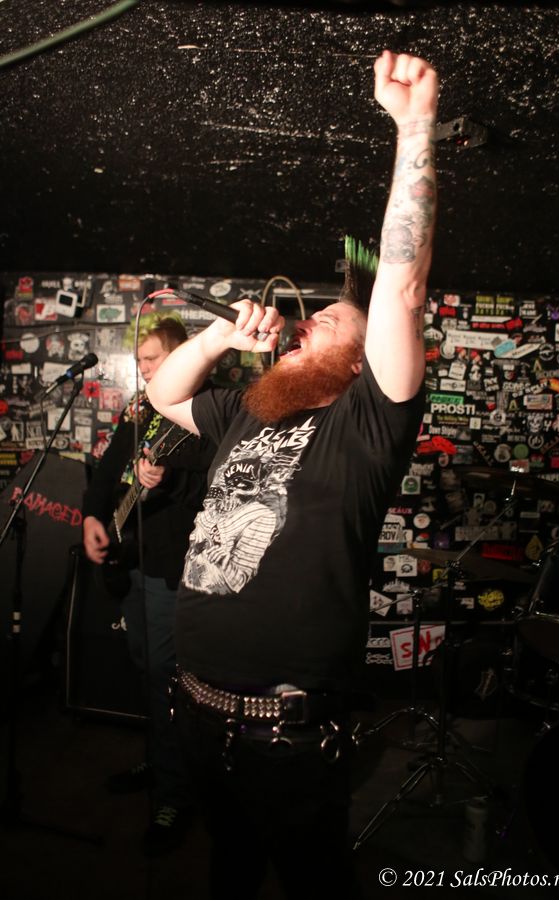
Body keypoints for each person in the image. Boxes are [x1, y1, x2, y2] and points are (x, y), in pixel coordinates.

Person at [146, 50, 438, 898]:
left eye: (328, 323)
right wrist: (217, 338)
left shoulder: (365, 424)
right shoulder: (251, 408)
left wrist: (414, 127)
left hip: (291, 738)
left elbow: (400, 290)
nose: (303, 325)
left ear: (363, 360)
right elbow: (165, 396)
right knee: (229, 873)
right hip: (198, 712)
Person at [82, 312, 216, 857]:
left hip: (174, 568)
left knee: (166, 678)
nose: (144, 369)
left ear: (180, 356)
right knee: (145, 667)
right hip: (134, 561)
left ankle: (175, 793)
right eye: (139, 361)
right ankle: (161, 761)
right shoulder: (141, 408)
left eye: (153, 358)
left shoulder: (204, 411)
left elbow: (210, 487)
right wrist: (92, 516)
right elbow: (110, 464)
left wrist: (164, 480)